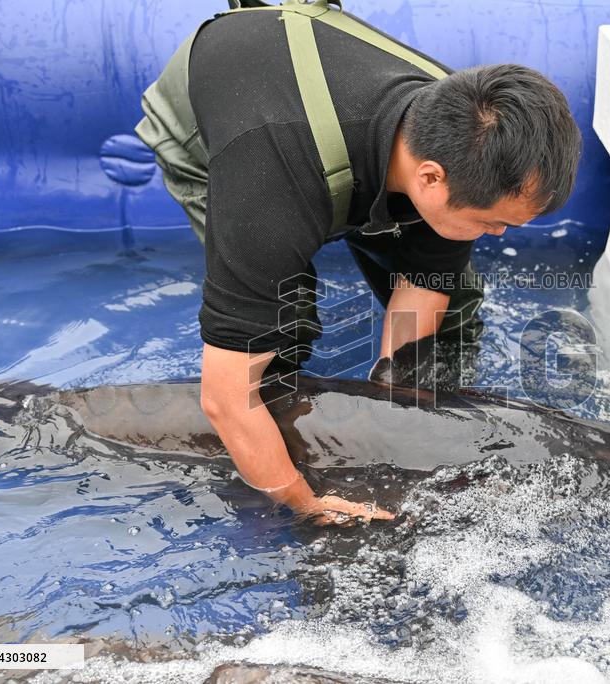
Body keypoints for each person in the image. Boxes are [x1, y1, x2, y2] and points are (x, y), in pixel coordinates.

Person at [135, 1, 582, 526]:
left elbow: (424, 286)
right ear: (432, 179)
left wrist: (400, 408)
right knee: (280, 337)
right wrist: (305, 505)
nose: (499, 235)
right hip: (223, 129)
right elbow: (225, 398)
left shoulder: (467, 135)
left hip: (333, 124)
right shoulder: (268, 190)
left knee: (450, 318)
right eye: (493, 223)